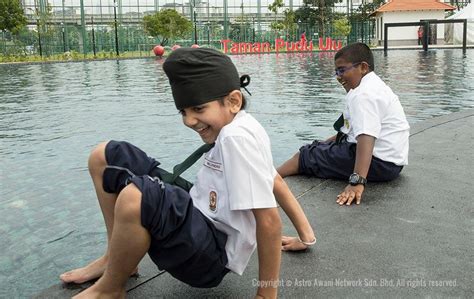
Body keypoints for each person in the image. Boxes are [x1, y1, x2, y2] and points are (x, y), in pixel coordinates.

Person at [59, 47, 316, 299]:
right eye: (184, 111)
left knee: (136, 197)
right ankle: (114, 260)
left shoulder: (236, 138)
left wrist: (266, 294)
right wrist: (307, 236)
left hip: (209, 255)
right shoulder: (244, 124)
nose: (189, 120)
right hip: (197, 219)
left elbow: (269, 221)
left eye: (199, 109)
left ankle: (111, 289)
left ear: (234, 101)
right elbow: (275, 180)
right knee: (104, 156)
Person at [278, 42, 409, 206]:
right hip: (392, 163)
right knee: (316, 146)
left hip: (380, 164)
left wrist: (357, 181)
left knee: (305, 155)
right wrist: (323, 144)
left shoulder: (363, 95)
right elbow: (349, 132)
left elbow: (366, 136)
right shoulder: (373, 86)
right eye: (336, 72)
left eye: (342, 70)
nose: (338, 77)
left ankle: (270, 181)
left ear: (363, 67)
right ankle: (271, 177)